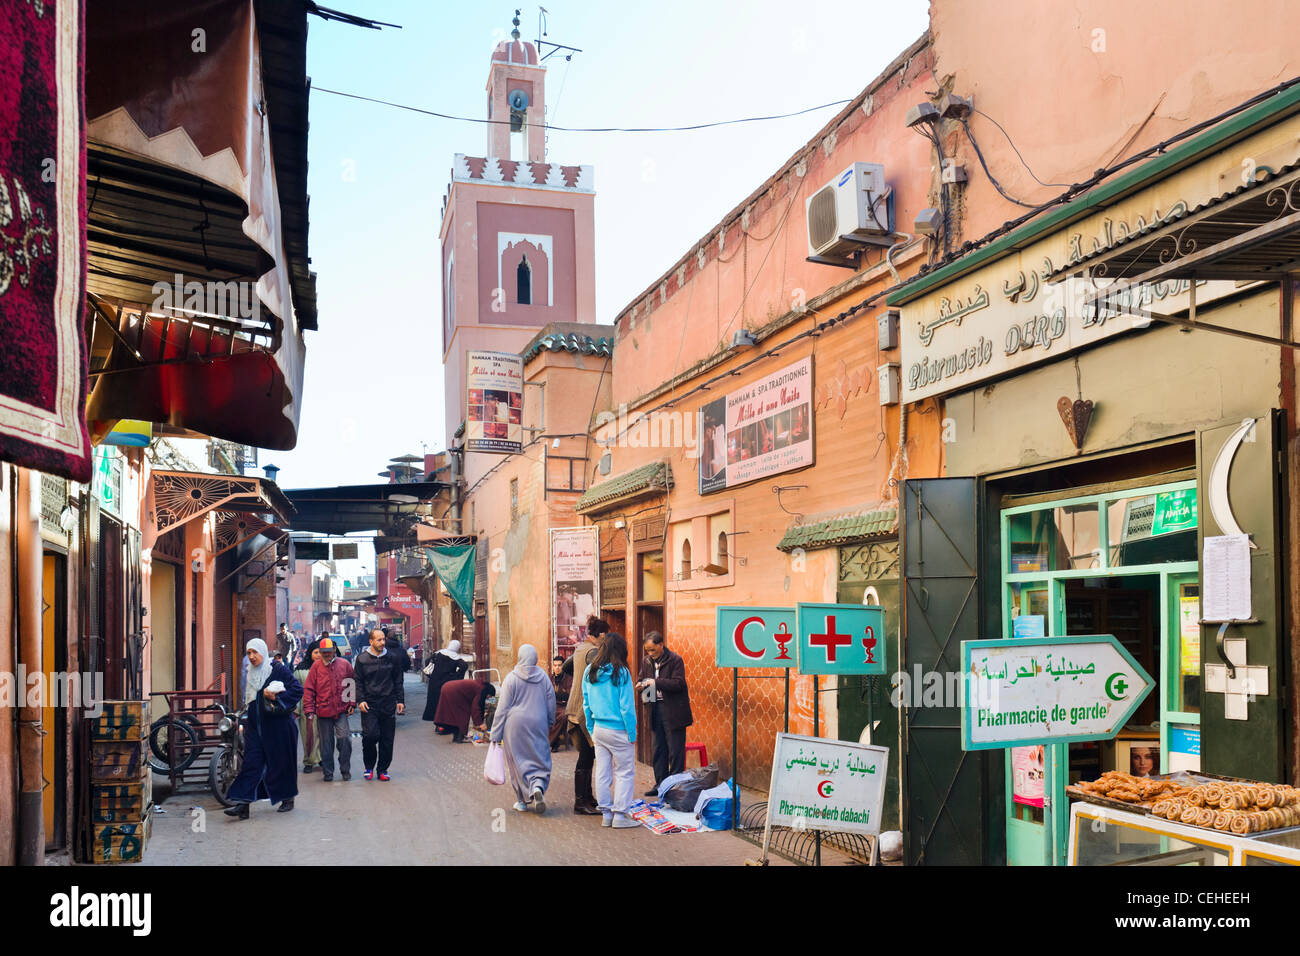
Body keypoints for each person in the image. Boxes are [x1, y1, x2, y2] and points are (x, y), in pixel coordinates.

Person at [224, 638, 302, 819]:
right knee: (251, 763)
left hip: (279, 727)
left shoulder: (277, 669)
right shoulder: (250, 672)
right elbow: (251, 700)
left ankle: (287, 798)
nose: (251, 657)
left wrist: (275, 697)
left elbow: (297, 690)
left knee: (281, 763)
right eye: (248, 653)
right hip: (256, 728)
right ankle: (243, 804)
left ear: (263, 652)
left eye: (254, 652)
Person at [489, 645, 556, 814]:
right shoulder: (543, 677)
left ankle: (521, 801)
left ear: (519, 657)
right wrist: (550, 720)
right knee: (539, 756)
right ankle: (537, 786)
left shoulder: (511, 678)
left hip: (515, 725)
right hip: (538, 722)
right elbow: (551, 701)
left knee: (517, 761)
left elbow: (502, 708)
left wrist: (495, 733)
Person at [583, 631, 639, 828]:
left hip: (599, 728)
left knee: (602, 772)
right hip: (619, 730)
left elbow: (586, 704)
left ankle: (606, 814)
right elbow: (627, 708)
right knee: (624, 772)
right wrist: (632, 733)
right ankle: (620, 816)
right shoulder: (622, 672)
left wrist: (591, 729)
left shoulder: (590, 671)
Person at [636, 631, 694, 796]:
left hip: (674, 710)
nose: (650, 654)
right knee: (658, 748)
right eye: (648, 650)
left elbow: (678, 683)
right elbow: (642, 678)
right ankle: (660, 784)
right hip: (655, 709)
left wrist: (655, 682)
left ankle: (674, 787)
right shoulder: (646, 661)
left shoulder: (675, 660)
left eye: (653, 650)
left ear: (661, 645)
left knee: (675, 750)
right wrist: (640, 684)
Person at [561, 616, 606, 815]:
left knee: (588, 755)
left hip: (573, 706)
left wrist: (578, 678)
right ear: (601, 635)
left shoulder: (580, 648)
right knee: (587, 756)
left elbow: (565, 667)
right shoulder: (594, 651)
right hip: (583, 710)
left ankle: (587, 797)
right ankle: (580, 801)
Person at [352, 628, 405, 781]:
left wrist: (400, 700)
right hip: (369, 704)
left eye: (384, 639)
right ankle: (369, 766)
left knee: (387, 739)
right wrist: (360, 700)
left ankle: (383, 769)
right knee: (370, 736)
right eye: (379, 640)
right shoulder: (362, 659)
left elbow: (398, 680)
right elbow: (358, 682)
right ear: (371, 641)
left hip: (388, 702)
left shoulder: (392, 658)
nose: (383, 642)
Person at [303, 636, 355, 782]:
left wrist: (351, 703)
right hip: (323, 711)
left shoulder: (344, 665)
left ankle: (345, 769)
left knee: (345, 740)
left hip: (341, 710)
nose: (326, 654)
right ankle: (328, 772)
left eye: (329, 651)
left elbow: (350, 683)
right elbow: (309, 689)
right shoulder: (315, 667)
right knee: (326, 744)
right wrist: (309, 709)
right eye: (323, 652)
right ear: (320, 651)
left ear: (334, 650)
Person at [421, 639, 470, 722]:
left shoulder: (438, 653)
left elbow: (427, 661)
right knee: (444, 702)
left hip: (434, 681)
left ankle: (433, 718)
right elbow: (464, 666)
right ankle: (442, 720)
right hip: (447, 682)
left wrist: (432, 674)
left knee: (433, 700)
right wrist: (456, 677)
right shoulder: (456, 657)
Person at [293, 640, 322, 774]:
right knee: (308, 736)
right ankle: (309, 761)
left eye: (320, 653)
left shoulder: (327, 667)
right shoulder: (300, 670)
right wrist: (296, 709)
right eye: (315, 652)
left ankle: (322, 759)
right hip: (307, 709)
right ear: (310, 653)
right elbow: (295, 691)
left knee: (323, 735)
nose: (318, 655)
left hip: (324, 708)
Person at [435, 677, 493, 742]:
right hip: (453, 691)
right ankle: (459, 736)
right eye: (489, 696)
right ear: (488, 692)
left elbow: (480, 706)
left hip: (447, 687)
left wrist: (479, 721)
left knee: (452, 714)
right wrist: (480, 723)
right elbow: (476, 707)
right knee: (463, 714)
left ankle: (454, 734)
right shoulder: (480, 689)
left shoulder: (479, 686)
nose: (487, 698)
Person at [548, 655, 571, 752]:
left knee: (562, 716)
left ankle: (550, 742)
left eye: (559, 665)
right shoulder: (550, 678)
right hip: (552, 705)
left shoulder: (569, 678)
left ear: (563, 666)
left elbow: (568, 695)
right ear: (552, 666)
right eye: (555, 665)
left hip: (564, 706)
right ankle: (555, 742)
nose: (557, 668)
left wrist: (557, 694)